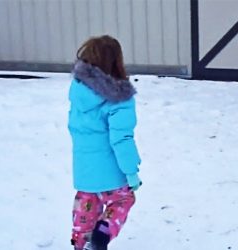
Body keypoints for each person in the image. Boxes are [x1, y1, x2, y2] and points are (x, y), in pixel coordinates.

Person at [68, 35, 142, 250]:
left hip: (84, 174)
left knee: (85, 211)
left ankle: (79, 243)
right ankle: (102, 234)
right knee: (123, 200)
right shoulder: (120, 98)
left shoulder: (77, 93)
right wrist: (131, 173)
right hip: (113, 174)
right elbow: (122, 139)